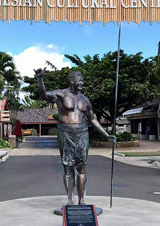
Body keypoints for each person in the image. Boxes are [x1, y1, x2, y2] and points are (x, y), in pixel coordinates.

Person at [35, 68, 116, 205]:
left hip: (82, 132)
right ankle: (69, 200)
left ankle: (82, 200)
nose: (82, 83)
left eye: (83, 80)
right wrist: (40, 79)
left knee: (81, 168)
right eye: (80, 80)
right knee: (67, 167)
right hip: (65, 132)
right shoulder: (61, 94)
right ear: (72, 80)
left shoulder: (85, 100)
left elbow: (93, 119)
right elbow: (44, 95)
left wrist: (106, 135)